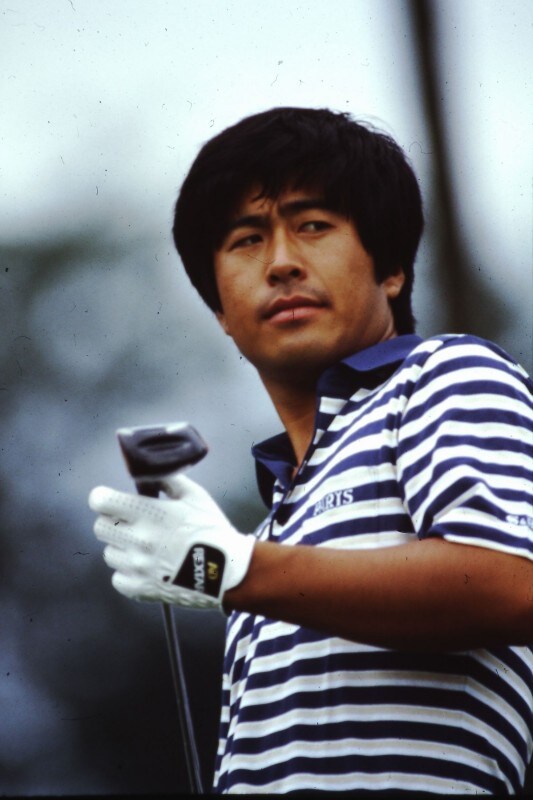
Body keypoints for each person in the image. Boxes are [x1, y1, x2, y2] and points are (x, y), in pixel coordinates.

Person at [89, 107, 533, 794]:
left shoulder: (446, 373)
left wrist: (233, 569)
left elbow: (511, 582)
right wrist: (239, 566)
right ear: (220, 312)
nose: (281, 263)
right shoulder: (273, 530)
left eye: (314, 225)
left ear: (391, 269)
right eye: (246, 239)